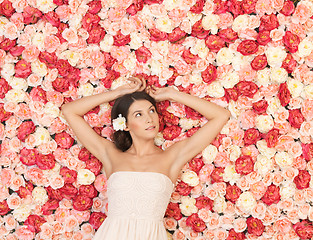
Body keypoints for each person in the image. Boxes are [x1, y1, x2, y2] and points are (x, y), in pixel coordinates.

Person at [61, 77, 231, 240]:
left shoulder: (172, 157)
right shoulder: (111, 154)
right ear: (125, 124)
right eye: (138, 114)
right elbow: (70, 111)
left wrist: (173, 94)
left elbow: (220, 115)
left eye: (151, 111)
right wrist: (116, 94)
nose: (149, 118)